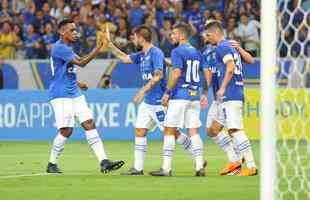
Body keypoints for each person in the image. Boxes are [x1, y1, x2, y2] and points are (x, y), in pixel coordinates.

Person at [105, 25, 195, 175]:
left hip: (159, 102)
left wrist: (142, 91)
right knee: (140, 130)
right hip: (147, 103)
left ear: (141, 38)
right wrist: (109, 45)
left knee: (174, 133)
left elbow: (158, 75)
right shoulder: (142, 54)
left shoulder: (155, 53)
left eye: (134, 36)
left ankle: (197, 156)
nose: (133, 39)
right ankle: (138, 168)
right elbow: (124, 57)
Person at [46, 19, 124, 174]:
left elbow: (66, 71)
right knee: (66, 130)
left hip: (74, 92)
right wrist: (98, 47)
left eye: (76, 30)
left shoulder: (67, 49)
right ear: (62, 32)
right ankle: (51, 163)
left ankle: (104, 161)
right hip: (61, 94)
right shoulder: (59, 48)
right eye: (72, 30)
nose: (76, 33)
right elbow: (81, 63)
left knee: (89, 123)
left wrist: (78, 83)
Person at [149, 23, 206, 177]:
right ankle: (199, 166)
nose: (171, 36)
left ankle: (166, 168)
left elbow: (176, 73)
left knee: (169, 129)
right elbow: (206, 73)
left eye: (174, 34)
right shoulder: (197, 52)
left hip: (180, 95)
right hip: (194, 95)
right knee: (193, 131)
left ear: (182, 35)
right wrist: (204, 92)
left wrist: (167, 92)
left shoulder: (177, 51)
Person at [204, 20, 257, 176]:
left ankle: (252, 166)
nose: (207, 38)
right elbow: (249, 61)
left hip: (231, 93)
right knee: (213, 129)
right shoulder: (229, 46)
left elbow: (230, 68)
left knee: (235, 130)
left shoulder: (222, 47)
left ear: (215, 33)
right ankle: (234, 161)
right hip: (230, 95)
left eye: (208, 35)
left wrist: (222, 87)